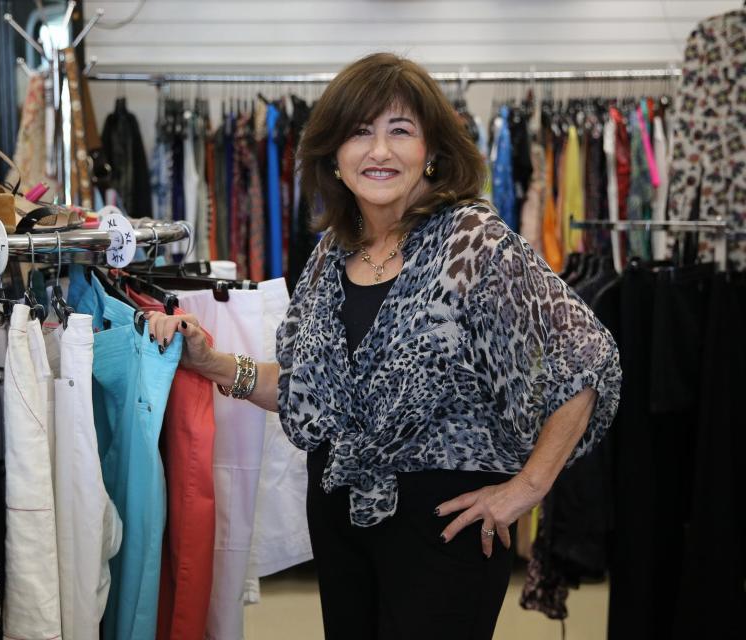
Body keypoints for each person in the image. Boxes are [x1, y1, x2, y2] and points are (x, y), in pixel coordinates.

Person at [146, 52, 621, 639]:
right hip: (341, 521)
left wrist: (527, 488)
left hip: (444, 529)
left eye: (401, 131)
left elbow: (587, 359)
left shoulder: (473, 245)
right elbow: (309, 391)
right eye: (360, 133)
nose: (379, 151)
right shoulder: (330, 256)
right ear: (335, 159)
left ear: (432, 153)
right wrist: (210, 361)